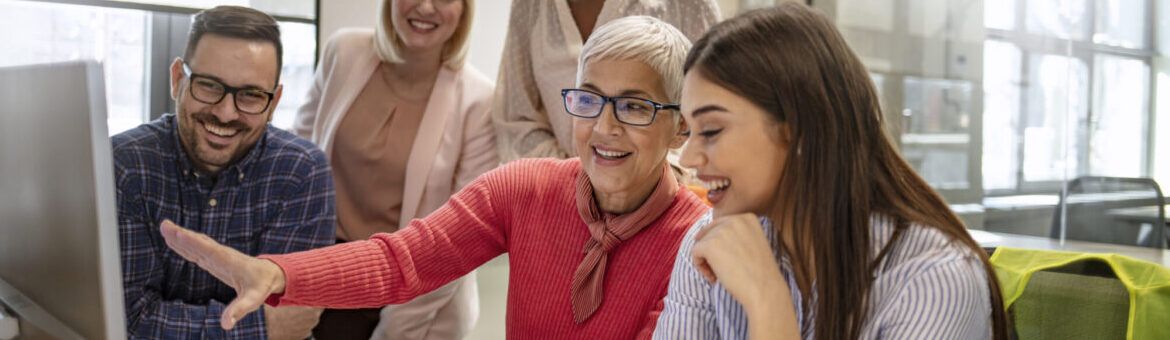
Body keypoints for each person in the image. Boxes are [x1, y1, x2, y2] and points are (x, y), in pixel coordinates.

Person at [159, 16, 708, 339]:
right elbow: (404, 260)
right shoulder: (526, 188)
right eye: (588, 101)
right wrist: (277, 275)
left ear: (680, 127)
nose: (603, 127)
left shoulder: (698, 243)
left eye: (634, 108)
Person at [653, 4, 1009, 339]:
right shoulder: (711, 241)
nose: (688, 157)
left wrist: (767, 301)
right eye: (690, 131)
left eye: (712, 131)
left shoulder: (933, 276)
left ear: (803, 131)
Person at [111, 6, 335, 339]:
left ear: (273, 103)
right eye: (210, 86)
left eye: (251, 95)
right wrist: (260, 328)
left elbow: (293, 318)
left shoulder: (301, 173)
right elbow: (128, 321)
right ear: (177, 80)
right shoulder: (125, 166)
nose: (226, 113)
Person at [291, 0, 494, 337]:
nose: (426, 8)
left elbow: (459, 240)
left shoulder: (480, 102)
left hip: (416, 295)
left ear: (464, 10)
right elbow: (298, 161)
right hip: (324, 273)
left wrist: (392, 329)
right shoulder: (343, 51)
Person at [492, 0, 720, 162]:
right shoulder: (531, 5)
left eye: (634, 105)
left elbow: (712, 118)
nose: (604, 127)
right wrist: (577, 179)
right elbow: (516, 116)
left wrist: (648, 180)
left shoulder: (690, 4)